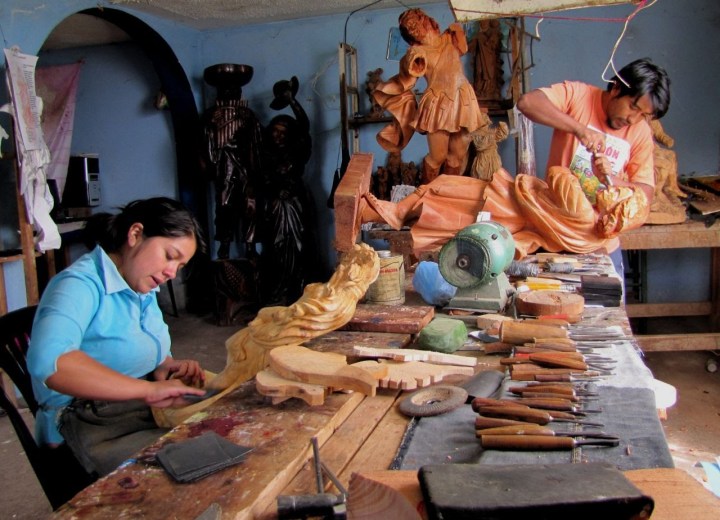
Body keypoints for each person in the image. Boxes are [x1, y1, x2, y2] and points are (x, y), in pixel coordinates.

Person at [27, 197, 208, 477]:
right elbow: (50, 362)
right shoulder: (78, 284)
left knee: (225, 433)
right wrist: (147, 390)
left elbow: (145, 347)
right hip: (90, 420)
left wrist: (166, 366)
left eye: (180, 266)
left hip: (138, 409)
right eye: (169, 256)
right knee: (195, 467)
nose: (171, 273)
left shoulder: (141, 286)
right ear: (135, 234)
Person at [516, 58, 671, 275]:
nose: (633, 119)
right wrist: (579, 129)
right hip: (554, 232)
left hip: (601, 242)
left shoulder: (641, 132)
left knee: (607, 296)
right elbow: (527, 103)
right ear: (616, 88)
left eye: (643, 115)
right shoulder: (579, 95)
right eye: (633, 107)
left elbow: (645, 193)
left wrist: (609, 178)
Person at [373, 8, 484, 183]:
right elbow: (410, 73)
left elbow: (463, 47)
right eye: (409, 27)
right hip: (438, 103)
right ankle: (427, 193)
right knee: (438, 156)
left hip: (463, 100)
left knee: (457, 156)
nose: (414, 28)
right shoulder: (418, 51)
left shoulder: (450, 37)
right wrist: (412, 60)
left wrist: (457, 27)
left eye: (415, 22)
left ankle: (448, 193)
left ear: (425, 20)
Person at [259, 77, 318, 305]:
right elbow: (263, 181)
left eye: (283, 132)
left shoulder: (297, 153)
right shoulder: (266, 156)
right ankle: (278, 291)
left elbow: (304, 126)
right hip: (275, 208)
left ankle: (298, 289)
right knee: (277, 248)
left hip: (295, 204)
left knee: (299, 245)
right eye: (275, 132)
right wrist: (274, 191)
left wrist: (292, 101)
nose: (278, 136)